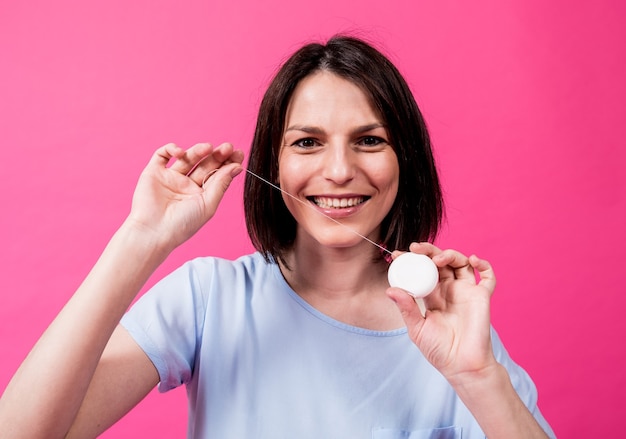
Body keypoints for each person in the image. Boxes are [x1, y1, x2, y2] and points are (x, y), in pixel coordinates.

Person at [0, 35, 555, 438]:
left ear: (405, 161)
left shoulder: (458, 334)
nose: (338, 170)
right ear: (274, 162)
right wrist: (142, 238)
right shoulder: (208, 300)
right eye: (307, 142)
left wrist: (477, 376)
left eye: (368, 140)